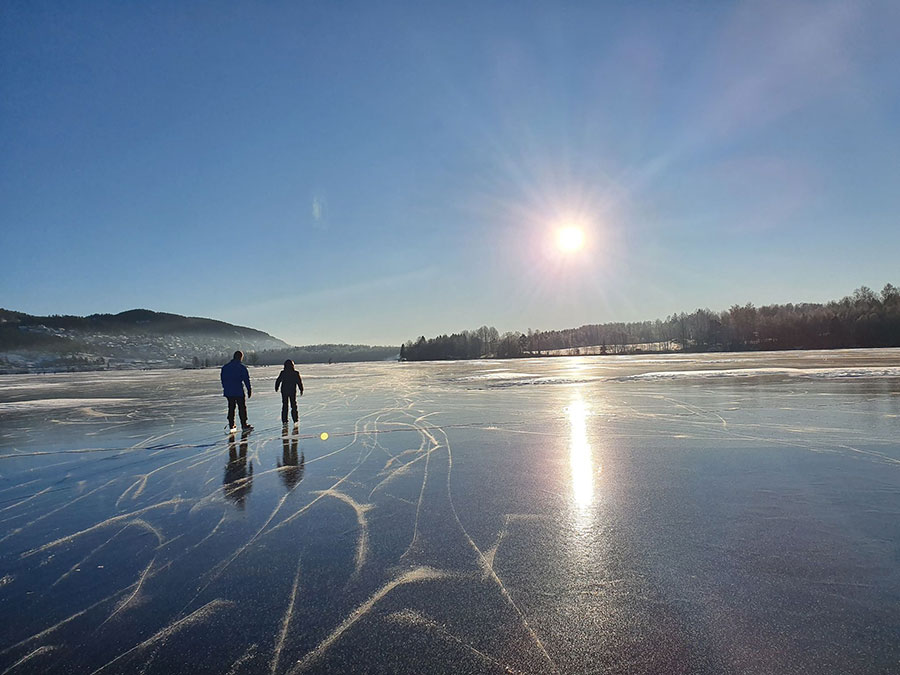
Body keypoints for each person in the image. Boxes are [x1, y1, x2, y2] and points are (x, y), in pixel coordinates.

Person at [221, 350, 253, 431]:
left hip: (229, 391)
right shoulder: (241, 367)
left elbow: (223, 379)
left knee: (231, 408)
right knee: (242, 408)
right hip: (238, 391)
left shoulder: (225, 367)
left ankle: (231, 425)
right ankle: (244, 424)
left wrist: (225, 388)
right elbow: (246, 379)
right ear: (240, 357)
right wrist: (249, 389)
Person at [275, 359, 304, 425]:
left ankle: (285, 420)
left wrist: (276, 387)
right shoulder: (295, 373)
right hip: (292, 391)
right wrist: (301, 389)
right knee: (293, 405)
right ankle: (295, 419)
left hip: (285, 391)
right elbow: (299, 382)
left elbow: (278, 380)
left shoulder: (283, 372)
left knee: (285, 405)